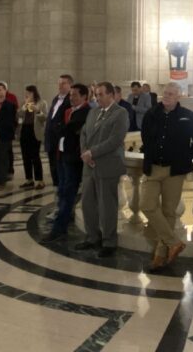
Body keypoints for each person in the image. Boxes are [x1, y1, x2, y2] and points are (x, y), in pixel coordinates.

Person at [141, 82, 193, 271]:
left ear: (179, 96)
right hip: (153, 168)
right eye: (165, 93)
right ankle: (173, 242)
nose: (167, 96)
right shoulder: (152, 114)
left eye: (171, 94)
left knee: (169, 212)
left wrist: (185, 156)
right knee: (147, 205)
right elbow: (145, 137)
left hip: (174, 171)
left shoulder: (188, 116)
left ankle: (160, 256)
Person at [76, 81, 128, 257]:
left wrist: (93, 153)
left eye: (101, 94)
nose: (97, 98)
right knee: (87, 203)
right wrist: (85, 152)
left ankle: (109, 241)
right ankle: (92, 237)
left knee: (107, 206)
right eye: (96, 95)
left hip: (108, 165)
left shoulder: (121, 113)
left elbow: (115, 140)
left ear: (111, 95)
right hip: (89, 166)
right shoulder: (93, 112)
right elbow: (84, 133)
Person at [41, 83, 91, 242]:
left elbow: (66, 129)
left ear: (84, 96)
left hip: (73, 158)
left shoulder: (86, 112)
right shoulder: (69, 110)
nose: (71, 98)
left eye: (75, 95)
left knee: (68, 192)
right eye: (70, 95)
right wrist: (61, 127)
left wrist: (61, 127)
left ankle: (59, 228)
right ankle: (64, 217)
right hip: (61, 155)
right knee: (62, 190)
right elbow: (56, 125)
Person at [44, 75, 73, 187]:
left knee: (61, 166)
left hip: (61, 139)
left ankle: (62, 186)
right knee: (53, 165)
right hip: (51, 139)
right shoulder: (56, 98)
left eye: (63, 83)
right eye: (59, 83)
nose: (60, 86)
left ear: (70, 85)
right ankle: (56, 186)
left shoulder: (70, 100)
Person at [16, 84, 47, 189]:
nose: (27, 95)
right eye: (26, 93)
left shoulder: (42, 103)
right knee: (25, 156)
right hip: (24, 130)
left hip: (35, 132)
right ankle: (29, 179)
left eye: (29, 93)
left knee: (35, 156)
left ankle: (39, 180)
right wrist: (24, 107)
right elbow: (18, 116)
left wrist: (37, 111)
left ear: (34, 93)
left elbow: (44, 119)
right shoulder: (24, 103)